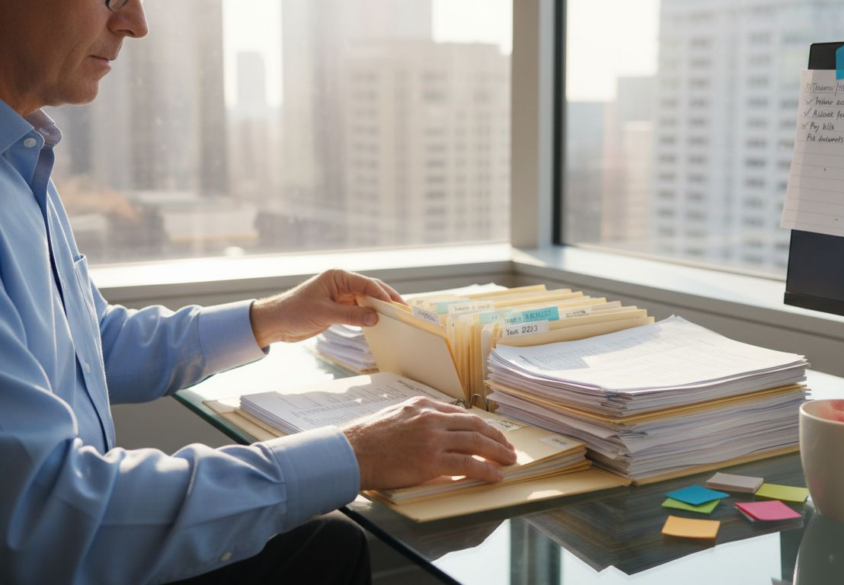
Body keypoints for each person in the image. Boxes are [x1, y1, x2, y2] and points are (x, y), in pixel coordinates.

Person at [0, 1, 517, 583]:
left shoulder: (22, 166)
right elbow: (47, 514)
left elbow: (95, 344)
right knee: (326, 552)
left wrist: (271, 318)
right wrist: (355, 454)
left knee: (327, 546)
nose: (135, 23)